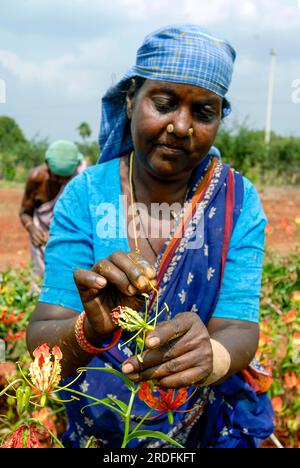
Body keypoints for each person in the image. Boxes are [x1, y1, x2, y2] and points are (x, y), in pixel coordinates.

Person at [26, 25, 274, 448]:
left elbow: (238, 326)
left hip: (194, 432)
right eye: (164, 103)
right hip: (97, 431)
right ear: (130, 100)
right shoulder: (86, 196)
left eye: (204, 112)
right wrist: (90, 327)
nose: (181, 126)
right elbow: (41, 339)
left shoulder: (237, 201)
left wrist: (211, 355)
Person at [20, 140, 85, 290]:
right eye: (56, 176)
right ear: (47, 165)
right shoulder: (36, 178)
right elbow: (24, 212)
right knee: (38, 285)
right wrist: (32, 229)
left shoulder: (80, 179)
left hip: (69, 241)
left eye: (65, 178)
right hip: (40, 239)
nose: (60, 181)